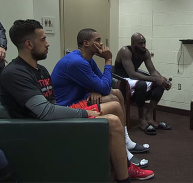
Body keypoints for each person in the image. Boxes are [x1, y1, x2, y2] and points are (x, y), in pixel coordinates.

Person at [0, 19, 154, 182]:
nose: (48, 44)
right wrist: (85, 113)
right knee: (113, 120)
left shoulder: (41, 70)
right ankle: (125, 171)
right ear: (29, 44)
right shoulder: (15, 73)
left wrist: (90, 96)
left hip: (48, 121)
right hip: (36, 130)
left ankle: (124, 168)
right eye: (43, 39)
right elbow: (45, 111)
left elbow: (54, 103)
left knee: (114, 114)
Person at [51, 28, 150, 168]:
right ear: (86, 43)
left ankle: (125, 141)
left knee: (116, 93)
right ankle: (123, 151)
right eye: (97, 40)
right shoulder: (76, 61)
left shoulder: (87, 60)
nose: (102, 44)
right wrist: (108, 60)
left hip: (80, 98)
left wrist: (95, 88)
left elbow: (104, 83)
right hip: (66, 106)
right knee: (112, 100)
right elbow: (103, 86)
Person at [114, 32, 172, 135]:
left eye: (144, 43)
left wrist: (161, 79)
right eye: (140, 43)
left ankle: (148, 116)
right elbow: (132, 74)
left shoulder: (145, 52)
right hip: (121, 81)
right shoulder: (125, 51)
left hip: (134, 80)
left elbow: (153, 71)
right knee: (142, 84)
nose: (144, 45)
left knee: (160, 84)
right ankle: (141, 119)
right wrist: (155, 79)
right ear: (133, 44)